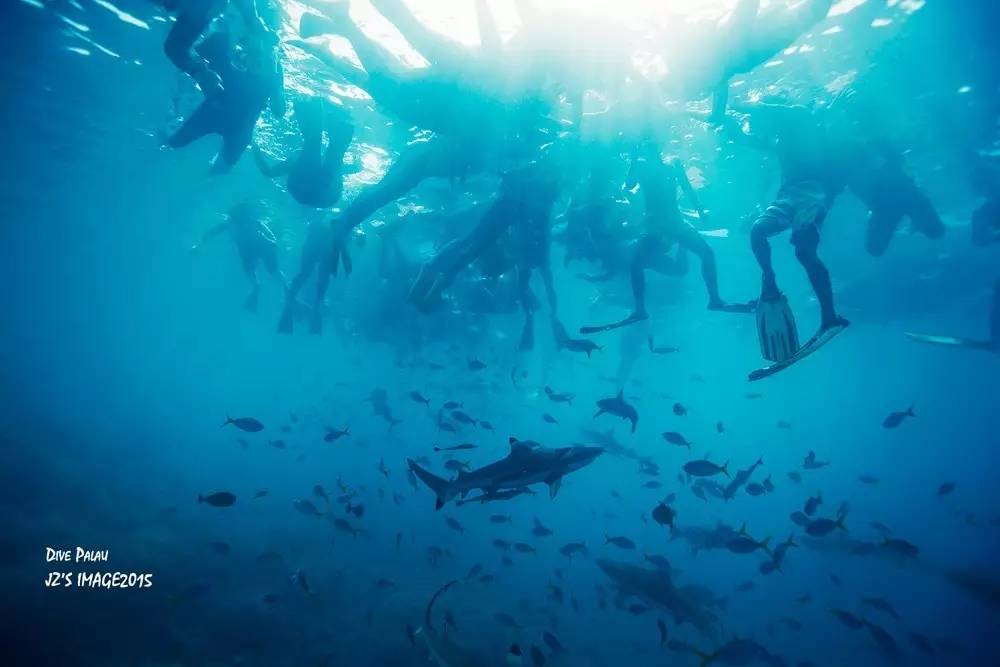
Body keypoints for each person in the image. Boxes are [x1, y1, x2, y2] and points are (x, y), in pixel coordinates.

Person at [727, 98, 852, 360]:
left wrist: (729, 100)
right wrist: (734, 131)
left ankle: (830, 316)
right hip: (786, 197)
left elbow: (761, 110)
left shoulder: (799, 116)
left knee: (804, 250)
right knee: (758, 230)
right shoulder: (779, 138)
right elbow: (752, 141)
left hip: (813, 194)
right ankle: (769, 281)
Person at [624, 138, 753, 323]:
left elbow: (686, 187)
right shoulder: (641, 166)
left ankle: (714, 300)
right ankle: (639, 309)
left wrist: (699, 209)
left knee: (707, 253)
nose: (650, 148)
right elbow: (628, 185)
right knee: (636, 262)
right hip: (655, 225)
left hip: (675, 222)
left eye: (651, 144)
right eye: (646, 145)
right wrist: (633, 160)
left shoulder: (672, 163)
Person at [167, 28, 285, 173]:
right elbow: (190, 59)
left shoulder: (275, 70)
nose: (261, 58)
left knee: (218, 172)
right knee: (173, 144)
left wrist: (275, 83)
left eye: (267, 54)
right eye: (257, 52)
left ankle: (203, 187)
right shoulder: (230, 47)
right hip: (216, 113)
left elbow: (279, 111)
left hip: (238, 126)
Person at [253, 96, 355, 209]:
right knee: (313, 142)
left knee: (333, 152)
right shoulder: (295, 181)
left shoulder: (303, 177)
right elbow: (267, 172)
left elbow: (268, 173)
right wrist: (253, 144)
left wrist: (355, 167)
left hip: (326, 195)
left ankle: (343, 122)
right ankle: (310, 105)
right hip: (309, 189)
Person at [850, 141, 944, 256]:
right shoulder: (889, 164)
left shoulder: (888, 163)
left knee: (874, 248)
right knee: (874, 248)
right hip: (894, 200)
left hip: (891, 201)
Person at [192, 201, 287, 312]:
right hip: (249, 250)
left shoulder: (251, 223)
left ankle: (279, 291)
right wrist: (198, 246)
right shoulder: (235, 223)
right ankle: (261, 289)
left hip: (260, 248)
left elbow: (273, 240)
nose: (240, 223)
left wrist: (198, 246)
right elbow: (210, 232)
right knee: (262, 272)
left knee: (269, 271)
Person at [159, 0, 268, 97]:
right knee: (174, 48)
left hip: (202, 8)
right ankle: (204, 76)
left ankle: (204, 76)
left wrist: (251, 17)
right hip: (202, 8)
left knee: (175, 48)